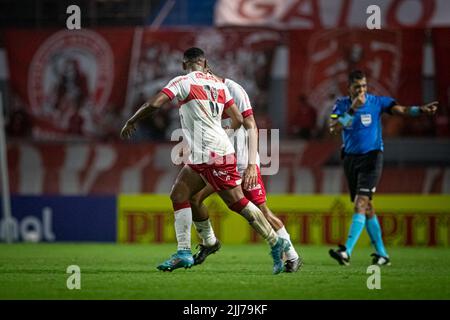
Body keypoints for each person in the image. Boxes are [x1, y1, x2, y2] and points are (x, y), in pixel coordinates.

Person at [120, 47, 291, 274]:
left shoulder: (183, 81)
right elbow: (238, 119)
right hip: (203, 154)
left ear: (184, 64)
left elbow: (154, 104)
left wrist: (132, 121)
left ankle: (275, 242)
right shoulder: (218, 84)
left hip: (215, 154)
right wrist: (221, 131)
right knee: (179, 194)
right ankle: (184, 252)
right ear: (204, 62)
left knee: (237, 203)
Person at [189, 66, 302, 273]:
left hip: (241, 164)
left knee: (262, 211)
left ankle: (293, 256)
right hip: (220, 162)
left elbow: (251, 126)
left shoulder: (233, 89)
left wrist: (251, 165)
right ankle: (209, 243)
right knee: (194, 197)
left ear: (208, 70)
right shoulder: (202, 95)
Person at [328, 70, 438, 266]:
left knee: (360, 204)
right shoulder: (342, 105)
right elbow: (333, 128)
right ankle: (382, 254)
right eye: (357, 87)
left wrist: (421, 110)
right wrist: (352, 110)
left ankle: (346, 252)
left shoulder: (377, 102)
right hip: (351, 160)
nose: (361, 90)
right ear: (349, 89)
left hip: (372, 157)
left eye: (364, 86)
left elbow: (402, 110)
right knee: (367, 207)